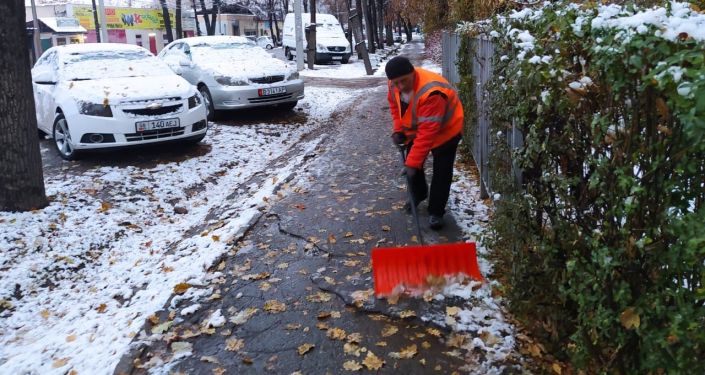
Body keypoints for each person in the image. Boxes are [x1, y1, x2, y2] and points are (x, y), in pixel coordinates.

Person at [385, 56, 463, 230]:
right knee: (413, 163)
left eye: (404, 81)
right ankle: (419, 193)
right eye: (396, 83)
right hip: (420, 130)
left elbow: (427, 133)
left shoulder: (432, 91)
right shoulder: (393, 84)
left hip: (447, 131)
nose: (400, 87)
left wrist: (413, 163)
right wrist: (398, 130)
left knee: (441, 171)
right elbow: (395, 108)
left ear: (413, 73)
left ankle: (436, 211)